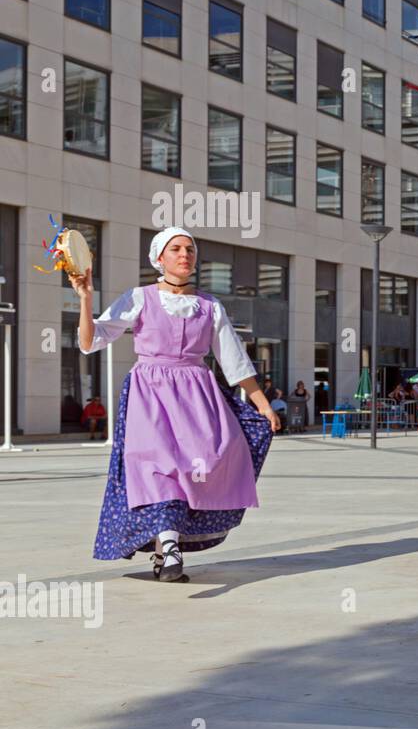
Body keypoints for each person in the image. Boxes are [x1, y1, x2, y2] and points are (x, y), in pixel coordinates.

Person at [74, 227, 278, 582]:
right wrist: (86, 299)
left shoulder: (210, 306)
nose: (185, 255)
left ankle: (165, 546)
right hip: (149, 392)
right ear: (159, 258)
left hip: (198, 394)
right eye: (176, 249)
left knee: (198, 466)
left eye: (190, 250)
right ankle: (169, 547)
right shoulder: (139, 298)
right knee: (157, 466)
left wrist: (263, 404)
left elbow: (234, 362)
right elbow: (91, 342)